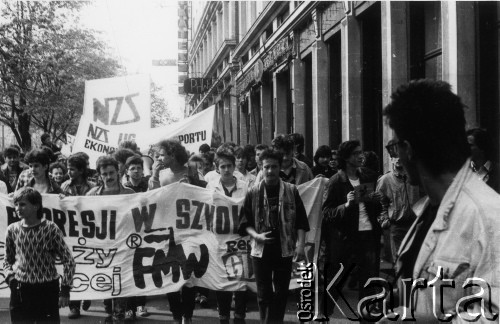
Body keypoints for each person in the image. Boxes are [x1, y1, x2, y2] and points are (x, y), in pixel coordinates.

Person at [382, 79, 500, 322]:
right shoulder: (429, 209)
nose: (397, 156)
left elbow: (494, 314)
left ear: (409, 149)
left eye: (395, 147)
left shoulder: (487, 215)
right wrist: (401, 298)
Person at [239, 148, 309, 323]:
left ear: (280, 168)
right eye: (266, 167)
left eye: (274, 167)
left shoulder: (291, 190)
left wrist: (300, 246)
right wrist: (256, 236)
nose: (270, 171)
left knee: (281, 292)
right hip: (260, 248)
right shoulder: (252, 192)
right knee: (263, 294)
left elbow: (301, 221)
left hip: (284, 247)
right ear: (261, 168)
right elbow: (244, 224)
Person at [321, 140, 382, 317]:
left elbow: (374, 208)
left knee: (368, 284)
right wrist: (345, 205)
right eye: (356, 153)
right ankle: (322, 317)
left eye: (361, 152)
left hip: (367, 237)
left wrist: (378, 201)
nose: (360, 156)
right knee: (335, 282)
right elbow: (326, 212)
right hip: (345, 239)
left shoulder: (369, 176)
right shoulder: (336, 181)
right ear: (346, 158)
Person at [4, 187, 75, 323]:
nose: (18, 208)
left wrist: (65, 290)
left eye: (23, 204)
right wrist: (11, 279)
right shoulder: (12, 230)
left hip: (46, 289)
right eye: (16, 205)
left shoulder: (50, 229)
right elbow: (7, 261)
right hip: (20, 290)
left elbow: (68, 260)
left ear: (36, 206)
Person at [147, 139, 195, 324]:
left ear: (173, 155)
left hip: (188, 228)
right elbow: (151, 198)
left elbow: (199, 195)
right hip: (165, 228)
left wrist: (190, 184)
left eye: (162, 155)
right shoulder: (161, 173)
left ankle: (188, 315)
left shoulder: (189, 171)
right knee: (170, 273)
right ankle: (176, 315)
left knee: (188, 274)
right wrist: (154, 175)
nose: (158, 158)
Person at [87, 156, 135, 322]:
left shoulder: (129, 194)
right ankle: (109, 310)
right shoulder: (91, 195)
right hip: (101, 247)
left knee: (120, 282)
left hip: (122, 246)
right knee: (106, 282)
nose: (109, 177)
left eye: (111, 172)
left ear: (118, 172)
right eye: (104, 173)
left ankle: (119, 314)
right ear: (100, 175)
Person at [207, 147, 249, 324]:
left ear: (234, 167)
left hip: (239, 240)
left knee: (240, 279)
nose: (226, 170)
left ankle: (239, 316)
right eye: (222, 166)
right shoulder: (211, 187)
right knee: (221, 280)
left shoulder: (245, 187)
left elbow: (249, 211)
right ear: (217, 168)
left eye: (229, 166)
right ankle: (223, 315)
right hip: (219, 240)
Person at [59, 154, 94, 319]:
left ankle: (88, 294)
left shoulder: (93, 187)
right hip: (71, 232)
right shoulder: (64, 186)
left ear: (81, 170)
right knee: (74, 266)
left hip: (89, 232)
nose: (69, 171)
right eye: (68, 168)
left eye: (72, 169)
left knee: (89, 264)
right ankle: (74, 306)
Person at [376, 140, 420, 264]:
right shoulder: (385, 180)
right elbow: (380, 203)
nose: (398, 159)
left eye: (400, 156)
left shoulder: (414, 177)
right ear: (391, 159)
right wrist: (385, 219)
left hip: (414, 225)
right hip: (397, 226)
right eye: (395, 156)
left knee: (415, 261)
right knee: (400, 261)